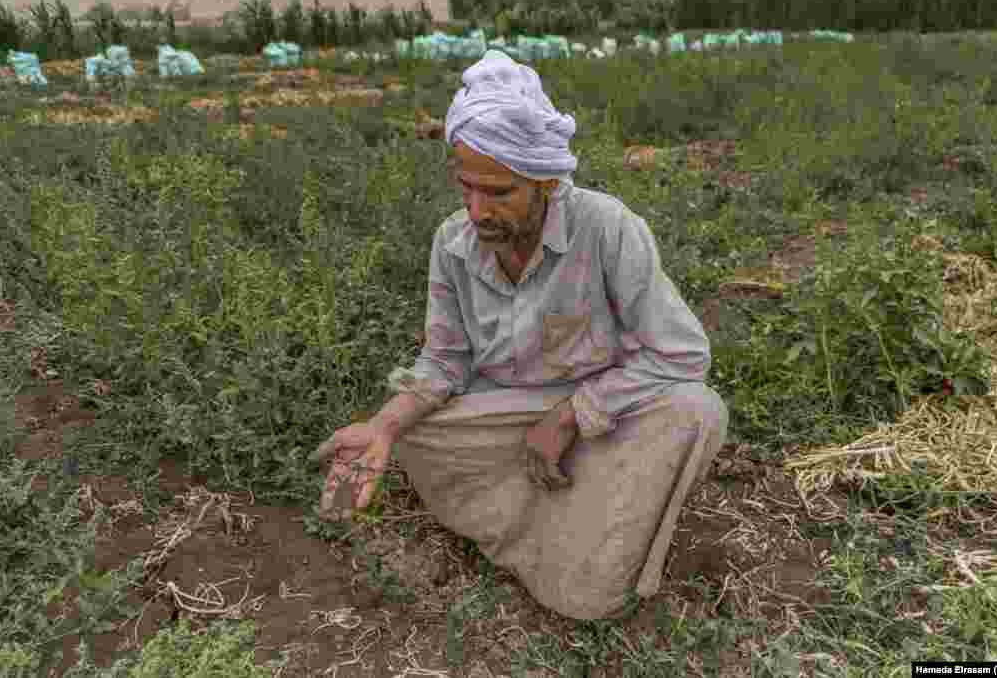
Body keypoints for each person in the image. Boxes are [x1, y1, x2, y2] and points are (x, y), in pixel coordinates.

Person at [312, 50, 728, 620]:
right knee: (414, 434)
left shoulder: (607, 229)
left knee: (695, 411)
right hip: (503, 415)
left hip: (601, 419)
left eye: (499, 192)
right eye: (467, 188)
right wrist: (383, 425)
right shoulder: (453, 242)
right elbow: (446, 359)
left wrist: (567, 418)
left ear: (547, 183)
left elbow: (682, 353)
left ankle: (576, 547)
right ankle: (543, 514)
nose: (477, 210)